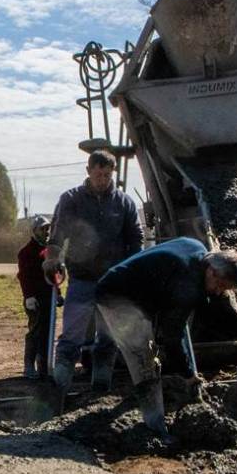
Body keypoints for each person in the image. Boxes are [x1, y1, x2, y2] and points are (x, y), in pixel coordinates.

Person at [95, 238, 237, 438]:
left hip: (121, 282)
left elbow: (180, 324)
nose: (218, 291)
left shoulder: (197, 247)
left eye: (224, 289)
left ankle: (97, 390)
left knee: (113, 343)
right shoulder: (187, 285)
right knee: (144, 359)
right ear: (211, 270)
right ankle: (156, 428)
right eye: (219, 284)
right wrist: (187, 375)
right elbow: (173, 337)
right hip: (116, 296)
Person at [42, 150, 144, 401]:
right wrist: (52, 259)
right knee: (71, 338)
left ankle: (101, 390)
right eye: (98, 174)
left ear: (113, 174)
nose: (103, 180)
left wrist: (135, 269)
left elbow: (135, 239)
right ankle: (59, 390)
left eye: (108, 175)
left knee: (108, 338)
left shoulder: (124, 203)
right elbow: (57, 236)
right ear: (88, 171)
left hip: (113, 280)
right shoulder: (71, 199)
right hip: (82, 279)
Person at [16, 215, 57, 380]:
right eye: (43, 229)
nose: (46, 232)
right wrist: (29, 296)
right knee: (35, 332)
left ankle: (44, 367)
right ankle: (28, 366)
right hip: (35, 300)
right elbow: (24, 276)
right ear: (34, 231)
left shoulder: (49, 251)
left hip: (49, 297)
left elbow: (54, 275)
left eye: (48, 229)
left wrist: (58, 294)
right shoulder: (26, 252)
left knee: (47, 333)